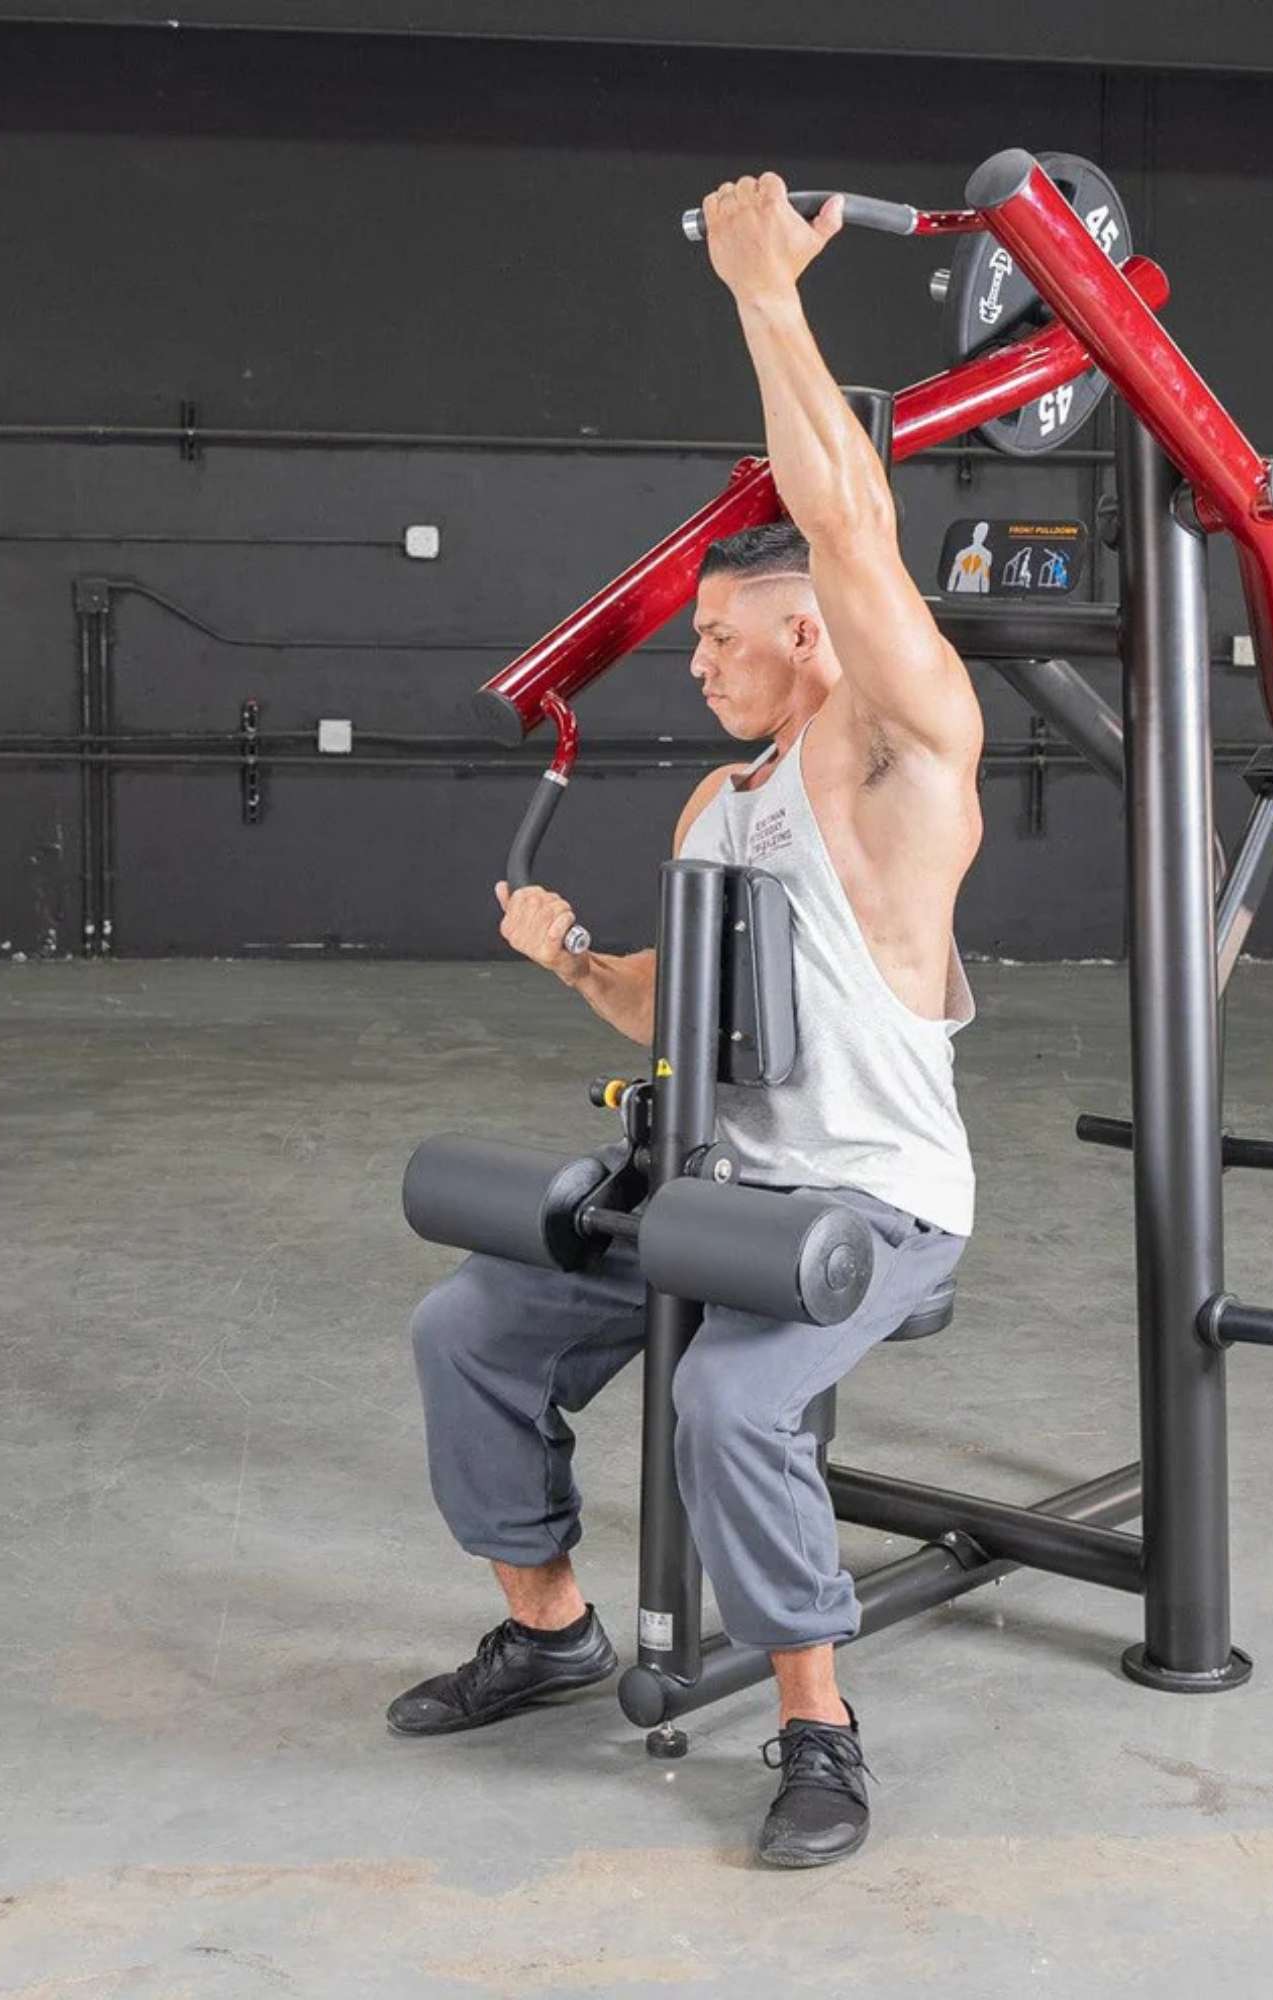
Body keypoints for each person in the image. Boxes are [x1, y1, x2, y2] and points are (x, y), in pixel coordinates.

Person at [391, 172, 985, 1870]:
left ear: (811, 635)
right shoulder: (714, 805)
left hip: (877, 1202)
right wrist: (575, 962)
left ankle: (817, 1723)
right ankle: (552, 1623)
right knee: (470, 1329)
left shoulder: (890, 759)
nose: (697, 665)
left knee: (729, 1403)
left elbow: (856, 528)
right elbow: (688, 1016)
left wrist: (765, 295)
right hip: (710, 1191)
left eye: (722, 640)